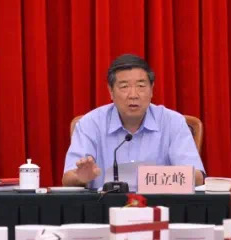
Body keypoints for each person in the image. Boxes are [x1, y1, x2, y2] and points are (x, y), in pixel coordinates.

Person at [63, 54, 204, 190]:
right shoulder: (90, 123)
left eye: (141, 86)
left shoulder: (173, 122)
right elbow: (68, 178)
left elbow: (197, 177)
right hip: (104, 204)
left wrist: (153, 178)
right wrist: (81, 178)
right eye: (124, 86)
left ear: (151, 89)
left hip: (160, 205)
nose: (133, 95)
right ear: (111, 91)